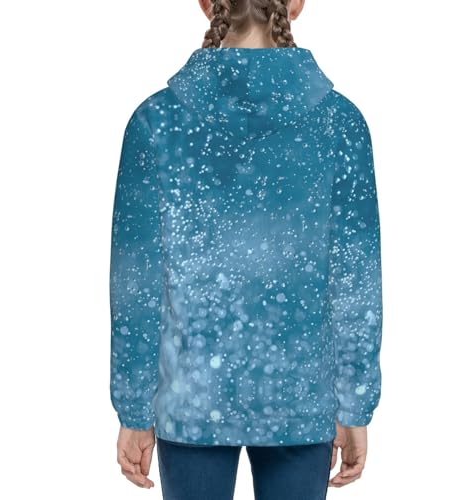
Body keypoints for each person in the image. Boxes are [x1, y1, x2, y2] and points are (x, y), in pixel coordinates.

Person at [109, 0, 383, 498]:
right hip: (301, 399)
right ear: (295, 4)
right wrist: (355, 404)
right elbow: (355, 280)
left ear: (206, 3)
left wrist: (133, 408)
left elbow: (136, 283)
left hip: (191, 400)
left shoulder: (156, 122)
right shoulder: (340, 123)